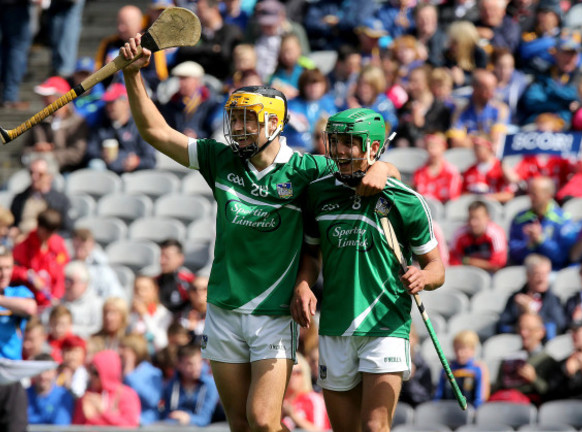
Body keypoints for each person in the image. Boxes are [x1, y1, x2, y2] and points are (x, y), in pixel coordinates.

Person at [120, 33, 396, 432]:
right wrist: (133, 76)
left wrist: (384, 169)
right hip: (223, 310)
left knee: (264, 421)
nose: (239, 128)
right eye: (235, 118)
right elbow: (157, 133)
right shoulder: (221, 159)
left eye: (248, 119)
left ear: (273, 122)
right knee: (240, 425)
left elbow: (381, 174)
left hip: (272, 314)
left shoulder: (307, 169)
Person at [291, 107, 444, 432]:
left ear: (374, 147)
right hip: (335, 326)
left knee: (375, 426)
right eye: (336, 142)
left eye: (351, 142)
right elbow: (311, 255)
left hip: (385, 324)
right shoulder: (318, 193)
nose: (341, 151)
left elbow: (437, 269)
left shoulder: (406, 201)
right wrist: (304, 284)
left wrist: (423, 277)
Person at [0, 243, 37, 432]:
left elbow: (30, 308)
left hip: (11, 381)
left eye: (8, 267)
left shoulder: (17, 294)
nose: (4, 274)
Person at [86, 83, 157, 174]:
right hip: (107, 174)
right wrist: (102, 154)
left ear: (126, 102)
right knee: (95, 164)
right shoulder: (102, 125)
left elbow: (151, 160)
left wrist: (137, 162)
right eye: (107, 103)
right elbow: (89, 150)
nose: (109, 107)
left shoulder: (139, 126)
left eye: (113, 102)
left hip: (133, 175)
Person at [23, 76, 88, 173]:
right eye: (44, 98)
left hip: (68, 171)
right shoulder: (38, 122)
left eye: (49, 97)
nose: (45, 101)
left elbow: (77, 154)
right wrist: (36, 149)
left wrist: (51, 155)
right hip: (37, 171)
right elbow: (24, 150)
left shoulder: (77, 122)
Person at [508, 176, 574, 270]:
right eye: (529, 193)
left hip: (553, 272)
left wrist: (541, 241)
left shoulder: (562, 220)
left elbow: (562, 256)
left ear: (548, 195)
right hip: (524, 270)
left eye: (535, 194)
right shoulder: (519, 218)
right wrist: (528, 245)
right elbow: (513, 253)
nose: (530, 198)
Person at [491, 313, 558, 405]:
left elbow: (553, 394)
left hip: (531, 407)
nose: (523, 333)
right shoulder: (509, 358)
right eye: (521, 329)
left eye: (529, 330)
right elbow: (498, 387)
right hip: (506, 403)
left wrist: (534, 379)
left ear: (541, 332)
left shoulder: (548, 361)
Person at [497, 254, 566, 341]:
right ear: (528, 275)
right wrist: (521, 322)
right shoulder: (515, 299)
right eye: (537, 274)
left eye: (545, 274)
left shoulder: (553, 300)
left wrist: (531, 312)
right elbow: (502, 328)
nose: (542, 279)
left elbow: (559, 326)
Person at [12, 208, 70, 307]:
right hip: (30, 299)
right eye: (45, 231)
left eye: (51, 232)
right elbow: (13, 269)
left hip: (52, 300)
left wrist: (57, 295)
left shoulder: (58, 244)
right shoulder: (24, 246)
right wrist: (28, 275)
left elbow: (61, 273)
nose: (47, 235)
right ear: (38, 226)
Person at [174, 0, 243, 81]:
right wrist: (212, 48)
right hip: (196, 79)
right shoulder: (195, 33)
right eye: (197, 11)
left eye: (201, 11)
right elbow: (184, 51)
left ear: (214, 9)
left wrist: (199, 49)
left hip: (222, 80)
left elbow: (225, 54)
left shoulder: (230, 31)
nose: (198, 14)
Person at [72, 349, 141, 426]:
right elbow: (77, 426)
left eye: (95, 373)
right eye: (89, 371)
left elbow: (130, 426)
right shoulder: (88, 396)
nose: (91, 377)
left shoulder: (126, 395)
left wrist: (103, 413)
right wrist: (88, 416)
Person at [10, 157, 72, 236]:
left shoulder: (61, 200)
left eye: (40, 174)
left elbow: (67, 231)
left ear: (50, 177)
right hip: (21, 242)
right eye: (31, 173)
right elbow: (12, 223)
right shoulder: (19, 198)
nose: (34, 177)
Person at [161, 343, 220, 426]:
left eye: (199, 362)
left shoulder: (210, 385)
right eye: (190, 364)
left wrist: (188, 418)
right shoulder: (170, 385)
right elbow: (167, 415)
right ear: (179, 365)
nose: (196, 367)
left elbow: (205, 419)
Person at [448, 69, 510, 148]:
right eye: (487, 89)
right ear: (475, 89)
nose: (492, 92)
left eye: (493, 88)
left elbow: (497, 141)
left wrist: (471, 139)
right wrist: (485, 140)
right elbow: (456, 142)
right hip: (467, 156)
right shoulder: (460, 110)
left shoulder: (501, 109)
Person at [160, 61, 220, 140]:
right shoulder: (172, 103)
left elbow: (213, 129)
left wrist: (197, 135)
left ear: (197, 80)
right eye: (179, 79)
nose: (181, 83)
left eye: (185, 79)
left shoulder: (210, 102)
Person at [450, 200, 508, 273]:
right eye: (471, 218)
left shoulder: (496, 234)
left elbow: (498, 265)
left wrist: (468, 261)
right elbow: (454, 261)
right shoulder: (459, 234)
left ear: (487, 217)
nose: (473, 223)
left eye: (477, 218)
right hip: (466, 275)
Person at [433, 330, 487, 409]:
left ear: (472, 350)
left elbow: (479, 399)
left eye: (464, 349)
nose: (459, 353)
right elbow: (438, 395)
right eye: (457, 349)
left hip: (469, 411)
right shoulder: (447, 369)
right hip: (447, 411)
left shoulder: (477, 370)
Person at [119, 334, 163, 426]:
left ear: (135, 350)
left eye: (124, 348)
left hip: (146, 423)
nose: (120, 352)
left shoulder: (153, 373)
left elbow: (153, 400)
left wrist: (129, 376)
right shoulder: (118, 370)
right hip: (124, 422)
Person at [71, 228, 124, 300]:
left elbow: (114, 294)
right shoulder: (67, 264)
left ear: (92, 244)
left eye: (83, 240)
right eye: (77, 240)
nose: (80, 244)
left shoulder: (101, 268)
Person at [282, 353, 330, 431]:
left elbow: (321, 431)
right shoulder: (278, 402)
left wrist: (293, 416)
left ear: (305, 373)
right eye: (289, 371)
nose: (292, 376)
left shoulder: (314, 400)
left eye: (297, 372)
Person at [411, 133, 462, 203]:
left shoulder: (452, 172)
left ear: (443, 147)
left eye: (434, 147)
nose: (431, 150)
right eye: (428, 147)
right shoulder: (419, 172)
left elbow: (453, 198)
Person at [26, 353, 74, 425]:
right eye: (38, 371)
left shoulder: (63, 396)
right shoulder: (23, 395)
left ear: (55, 372)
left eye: (47, 371)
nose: (42, 376)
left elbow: (61, 427)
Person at [128, 275, 173, 352]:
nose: (140, 293)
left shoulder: (163, 314)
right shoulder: (130, 313)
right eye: (137, 289)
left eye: (145, 289)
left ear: (155, 290)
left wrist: (145, 315)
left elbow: (161, 343)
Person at [398, 326, 433, 408]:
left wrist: (410, 380)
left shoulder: (423, 366)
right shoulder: (392, 364)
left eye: (407, 337)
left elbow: (425, 398)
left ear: (415, 339)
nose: (404, 342)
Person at [156, 239, 193, 314]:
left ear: (180, 258)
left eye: (167, 257)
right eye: (160, 256)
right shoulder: (154, 281)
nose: (161, 261)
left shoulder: (189, 282)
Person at [55, 334, 88, 398]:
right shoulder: (55, 372)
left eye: (76, 351)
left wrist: (68, 385)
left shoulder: (88, 374)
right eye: (68, 351)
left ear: (83, 353)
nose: (72, 355)